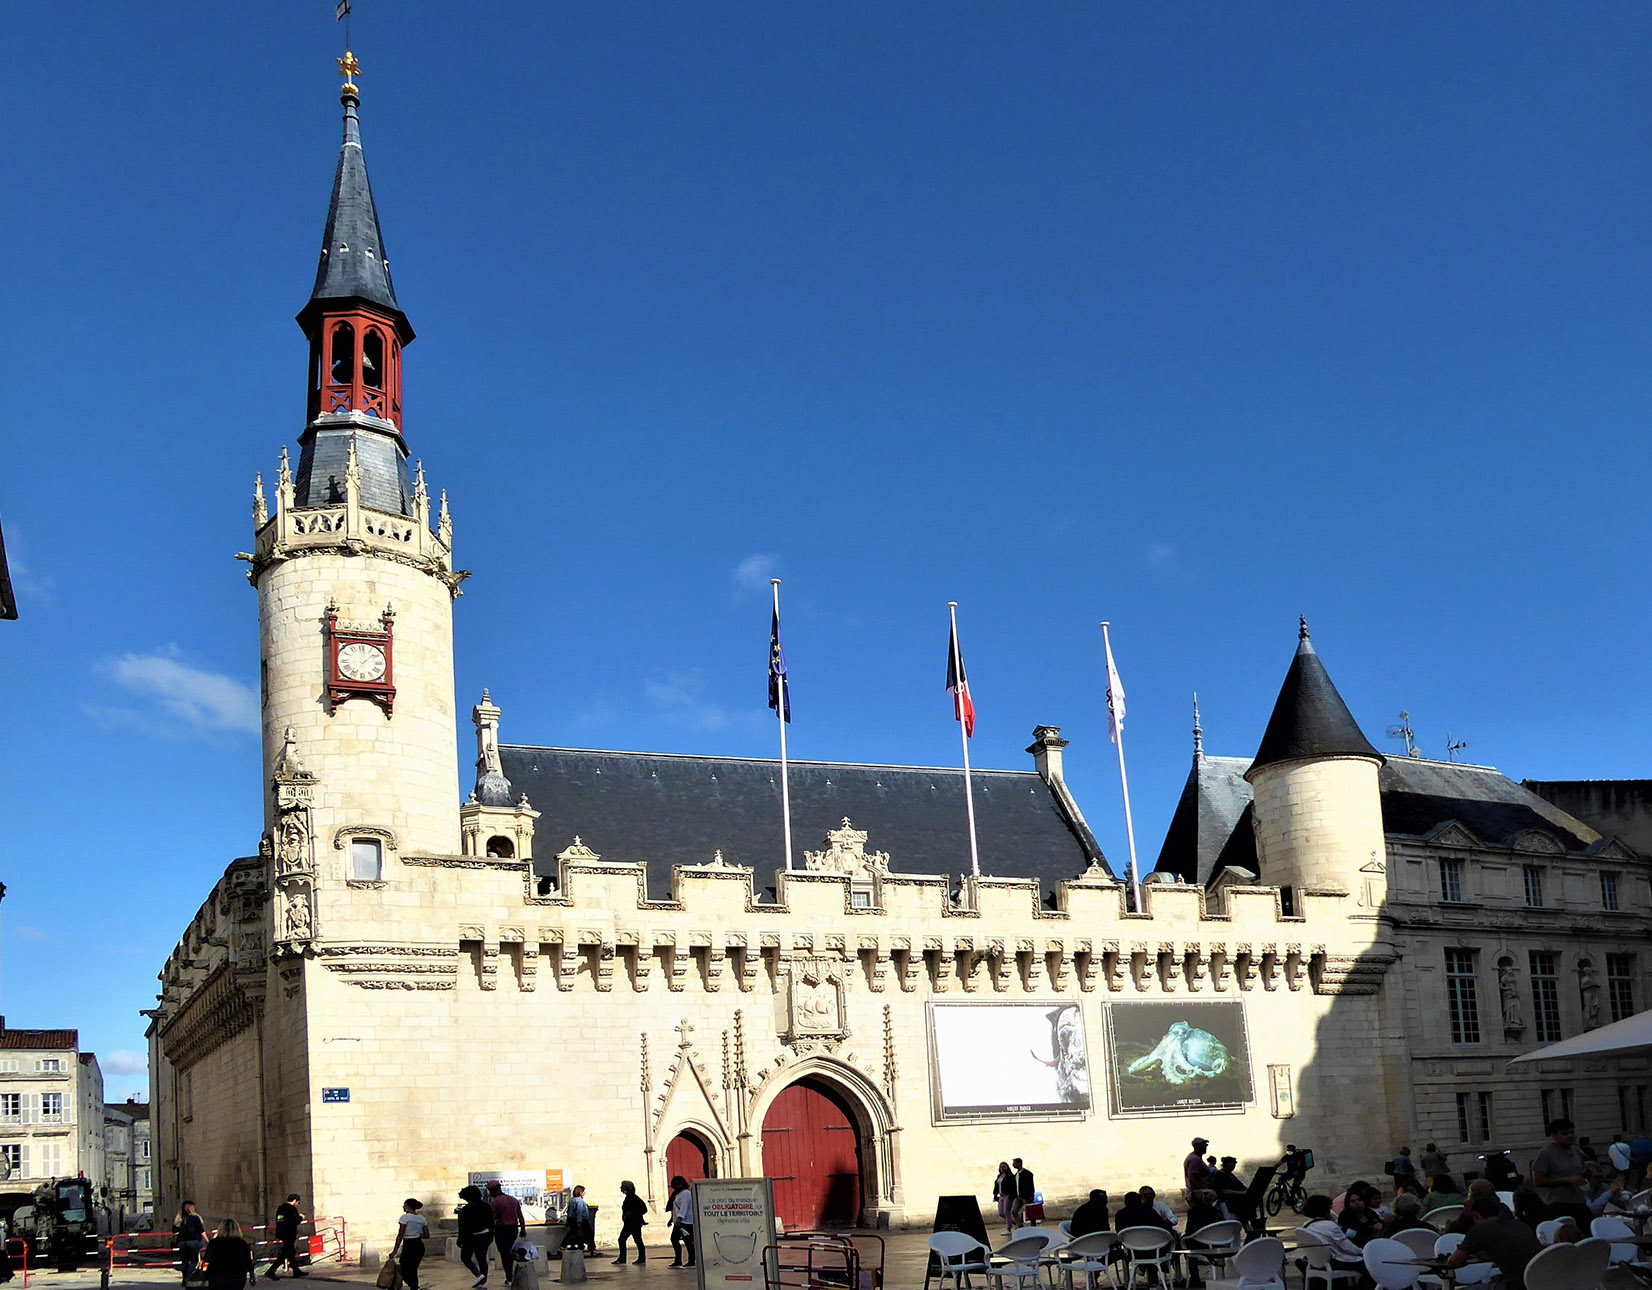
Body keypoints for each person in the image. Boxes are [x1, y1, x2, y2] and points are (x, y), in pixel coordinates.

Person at [1448, 1194, 1541, 1290]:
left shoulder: (1479, 1230)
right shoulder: (1520, 1225)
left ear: (1476, 1215)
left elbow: (1453, 1261)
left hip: (1514, 1286)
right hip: (1539, 1282)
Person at [1530, 1117, 1591, 1228]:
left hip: (1579, 1201)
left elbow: (1581, 1171)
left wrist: (1588, 1173)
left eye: (1571, 1132)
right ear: (1554, 1136)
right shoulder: (1546, 1153)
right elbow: (1537, 1181)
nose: (1570, 1136)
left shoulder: (1576, 1150)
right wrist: (1566, 1180)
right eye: (1564, 1133)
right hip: (1558, 1204)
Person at [1299, 1196, 1365, 1277]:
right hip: (1335, 1260)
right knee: (1368, 1263)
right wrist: (1363, 1252)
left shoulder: (1306, 1225)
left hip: (1317, 1261)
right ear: (1326, 1210)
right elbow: (1347, 1247)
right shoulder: (1330, 1226)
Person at [203, 1218, 257, 1290]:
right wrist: (252, 1276)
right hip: (237, 1277)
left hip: (217, 1277)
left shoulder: (214, 1243)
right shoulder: (242, 1243)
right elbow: (248, 1262)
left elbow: (207, 1259)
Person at [457, 1185, 494, 1288]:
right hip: (485, 1235)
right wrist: (491, 1235)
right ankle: (483, 1282)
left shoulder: (467, 1209)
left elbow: (463, 1226)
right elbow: (491, 1222)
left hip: (471, 1237)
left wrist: (460, 1239)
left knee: (465, 1257)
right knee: (482, 1258)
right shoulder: (487, 1206)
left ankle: (479, 1275)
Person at [488, 1181, 526, 1280]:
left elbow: (492, 1219)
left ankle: (509, 1276)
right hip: (513, 1229)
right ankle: (511, 1273)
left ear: (492, 1190)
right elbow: (520, 1217)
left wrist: (490, 1232)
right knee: (509, 1251)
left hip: (501, 1230)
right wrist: (523, 1229)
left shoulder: (494, 1203)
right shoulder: (513, 1200)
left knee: (504, 1253)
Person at [266, 1194, 307, 1280]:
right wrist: (301, 1217)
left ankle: (296, 1270)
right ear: (295, 1200)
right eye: (298, 1202)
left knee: (290, 1252)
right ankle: (271, 1271)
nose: (298, 1204)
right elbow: (295, 1221)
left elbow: (280, 1220)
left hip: (282, 1233)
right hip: (290, 1233)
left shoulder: (280, 1208)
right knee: (285, 1253)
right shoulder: (292, 1209)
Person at [390, 1199, 428, 1290]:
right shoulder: (422, 1218)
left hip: (409, 1245)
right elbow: (426, 1235)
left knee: (404, 1269)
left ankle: (414, 1287)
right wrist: (417, 1234)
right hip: (418, 1244)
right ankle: (415, 1286)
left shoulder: (405, 1218)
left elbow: (400, 1234)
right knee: (413, 1268)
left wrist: (395, 1250)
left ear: (407, 1206)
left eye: (404, 1205)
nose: (403, 1207)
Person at [615, 1181, 647, 1266]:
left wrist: (631, 1213)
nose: (621, 1188)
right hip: (630, 1223)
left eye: (622, 1187)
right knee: (636, 1240)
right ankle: (640, 1258)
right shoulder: (629, 1197)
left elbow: (644, 1209)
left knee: (624, 1239)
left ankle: (624, 1258)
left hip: (633, 1223)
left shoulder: (633, 1197)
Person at [667, 1176, 695, 1269]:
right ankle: (678, 1260)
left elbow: (684, 1206)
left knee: (688, 1241)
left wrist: (680, 1218)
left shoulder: (686, 1194)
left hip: (685, 1222)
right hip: (679, 1222)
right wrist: (672, 1219)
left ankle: (691, 1261)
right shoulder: (678, 1194)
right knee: (674, 1239)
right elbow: (676, 1208)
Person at [177, 1202, 207, 1284]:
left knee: (185, 1261)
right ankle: (187, 1277)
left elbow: (176, 1229)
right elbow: (201, 1231)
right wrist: (208, 1241)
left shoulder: (183, 1219)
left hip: (182, 1242)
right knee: (194, 1261)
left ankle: (184, 1279)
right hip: (193, 1242)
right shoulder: (195, 1218)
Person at [563, 1187, 594, 1255]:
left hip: (572, 1219)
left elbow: (569, 1211)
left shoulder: (572, 1200)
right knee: (589, 1233)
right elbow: (579, 1211)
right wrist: (579, 1221)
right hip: (582, 1220)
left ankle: (565, 1245)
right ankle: (592, 1248)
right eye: (583, 1191)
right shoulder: (579, 1201)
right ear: (580, 1193)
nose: (584, 1193)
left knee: (573, 1233)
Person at [1010, 1158, 1035, 1228]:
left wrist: (1031, 1195)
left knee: (1030, 1212)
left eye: (1014, 1163)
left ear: (1019, 1163)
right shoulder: (1016, 1174)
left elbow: (1031, 1185)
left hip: (1026, 1196)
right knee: (1014, 1211)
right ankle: (1019, 1225)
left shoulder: (1027, 1173)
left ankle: (1033, 1225)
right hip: (1018, 1196)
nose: (1013, 1165)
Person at [993, 1162, 1016, 1236]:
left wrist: (1011, 1196)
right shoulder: (999, 1176)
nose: (1002, 1168)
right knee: (1001, 1213)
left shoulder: (1010, 1176)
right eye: (1001, 1167)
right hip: (1001, 1196)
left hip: (1008, 1195)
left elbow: (1012, 1187)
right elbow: (996, 1186)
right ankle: (1015, 1222)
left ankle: (1008, 1228)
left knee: (1006, 1211)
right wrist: (995, 1195)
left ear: (1007, 1167)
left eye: (1004, 1166)